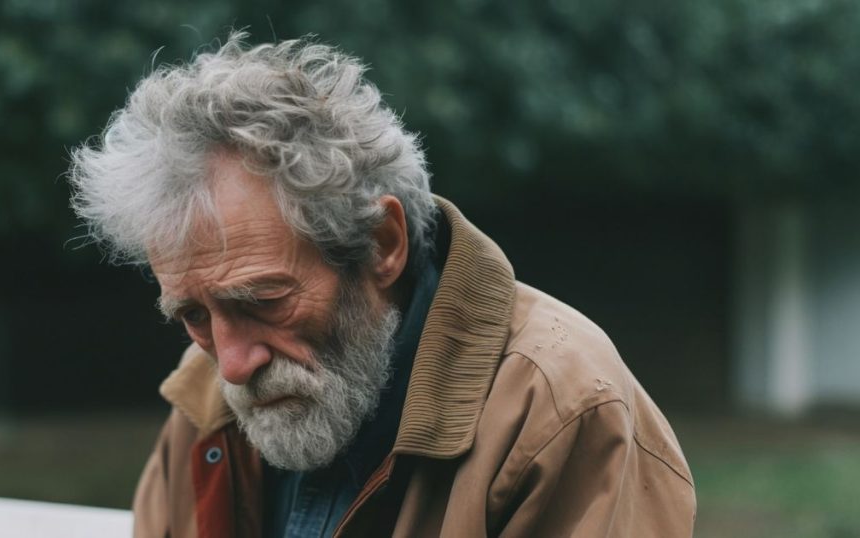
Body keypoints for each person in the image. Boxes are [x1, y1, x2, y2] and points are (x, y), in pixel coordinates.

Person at [68, 33, 696, 537]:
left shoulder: (559, 408)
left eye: (262, 301)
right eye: (194, 316)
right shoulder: (203, 407)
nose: (230, 364)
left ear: (381, 245)